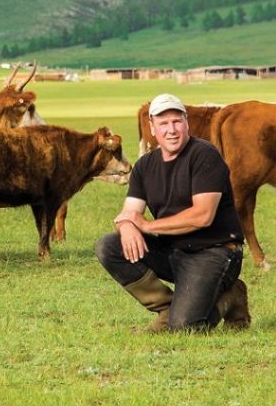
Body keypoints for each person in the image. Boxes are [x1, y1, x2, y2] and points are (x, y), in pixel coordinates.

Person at [94, 93, 250, 332]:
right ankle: (166, 309)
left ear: (186, 123)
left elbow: (202, 216)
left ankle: (231, 295)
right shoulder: (145, 166)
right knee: (110, 246)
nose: (172, 130)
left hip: (214, 252)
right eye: (163, 123)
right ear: (152, 128)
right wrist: (126, 225)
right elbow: (130, 213)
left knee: (186, 327)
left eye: (177, 121)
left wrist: (145, 226)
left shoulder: (205, 155)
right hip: (173, 250)